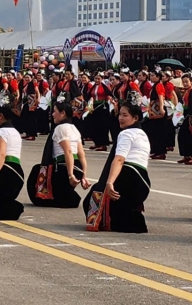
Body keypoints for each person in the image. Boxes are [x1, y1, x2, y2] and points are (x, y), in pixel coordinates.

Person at [84, 102, 149, 233]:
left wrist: (109, 183)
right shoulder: (143, 134)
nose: (120, 118)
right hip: (143, 182)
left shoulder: (126, 134)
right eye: (120, 114)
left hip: (129, 178)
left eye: (125, 115)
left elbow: (119, 159)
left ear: (135, 118)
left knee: (93, 197)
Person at [28, 100, 89, 208]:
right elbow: (81, 154)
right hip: (77, 168)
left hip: (63, 168)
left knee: (36, 172)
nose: (52, 114)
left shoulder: (60, 128)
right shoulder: (74, 128)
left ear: (63, 113)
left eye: (55, 111)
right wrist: (84, 175)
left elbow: (68, 152)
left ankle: (69, 197)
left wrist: (70, 174)